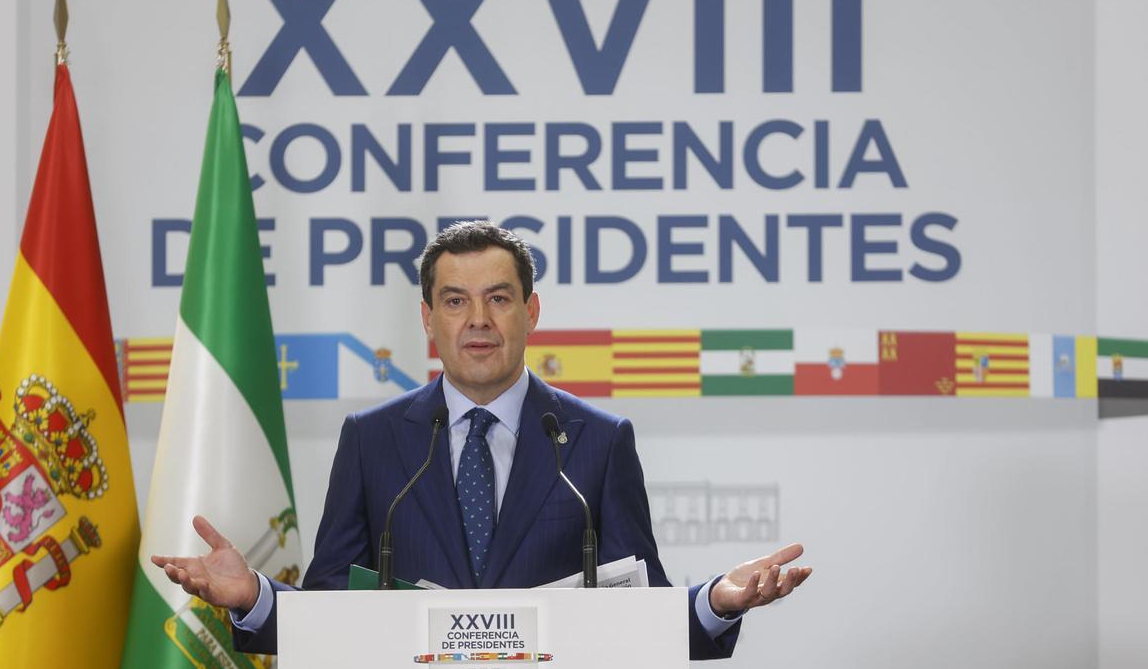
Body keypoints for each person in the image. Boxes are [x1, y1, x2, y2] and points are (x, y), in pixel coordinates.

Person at [153, 221, 812, 660]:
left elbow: (645, 619)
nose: (477, 320)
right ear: (428, 318)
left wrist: (717, 602)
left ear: (531, 311)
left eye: (498, 299)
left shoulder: (598, 442)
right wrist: (254, 596)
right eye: (455, 300)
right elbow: (330, 618)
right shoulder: (372, 441)